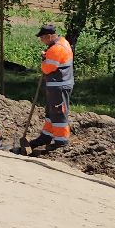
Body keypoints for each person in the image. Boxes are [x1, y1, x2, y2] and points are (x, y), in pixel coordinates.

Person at [36, 23, 74, 152]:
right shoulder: (63, 42)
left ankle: (61, 140)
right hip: (60, 84)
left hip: (59, 85)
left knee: (58, 112)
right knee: (51, 112)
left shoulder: (55, 49)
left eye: (42, 38)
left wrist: (44, 60)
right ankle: (46, 136)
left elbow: (47, 68)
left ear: (49, 36)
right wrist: (47, 55)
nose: (41, 41)